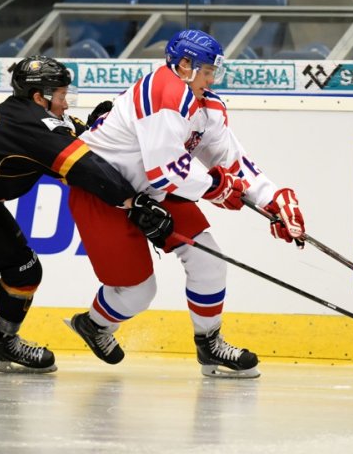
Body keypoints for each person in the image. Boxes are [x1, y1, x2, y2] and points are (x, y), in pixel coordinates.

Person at [0, 55, 172, 373]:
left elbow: (74, 136)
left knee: (25, 272)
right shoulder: (29, 126)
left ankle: (4, 343)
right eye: (61, 96)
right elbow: (85, 165)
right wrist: (133, 201)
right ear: (39, 97)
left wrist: (104, 127)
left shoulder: (33, 116)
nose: (67, 104)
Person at [66, 29, 306, 378]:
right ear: (184, 65)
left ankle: (209, 345)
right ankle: (93, 324)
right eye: (207, 70)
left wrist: (272, 199)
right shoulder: (164, 91)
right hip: (104, 195)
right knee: (138, 294)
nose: (212, 79)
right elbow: (165, 170)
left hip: (150, 192)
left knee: (210, 262)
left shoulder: (207, 106)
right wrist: (214, 187)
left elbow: (232, 163)